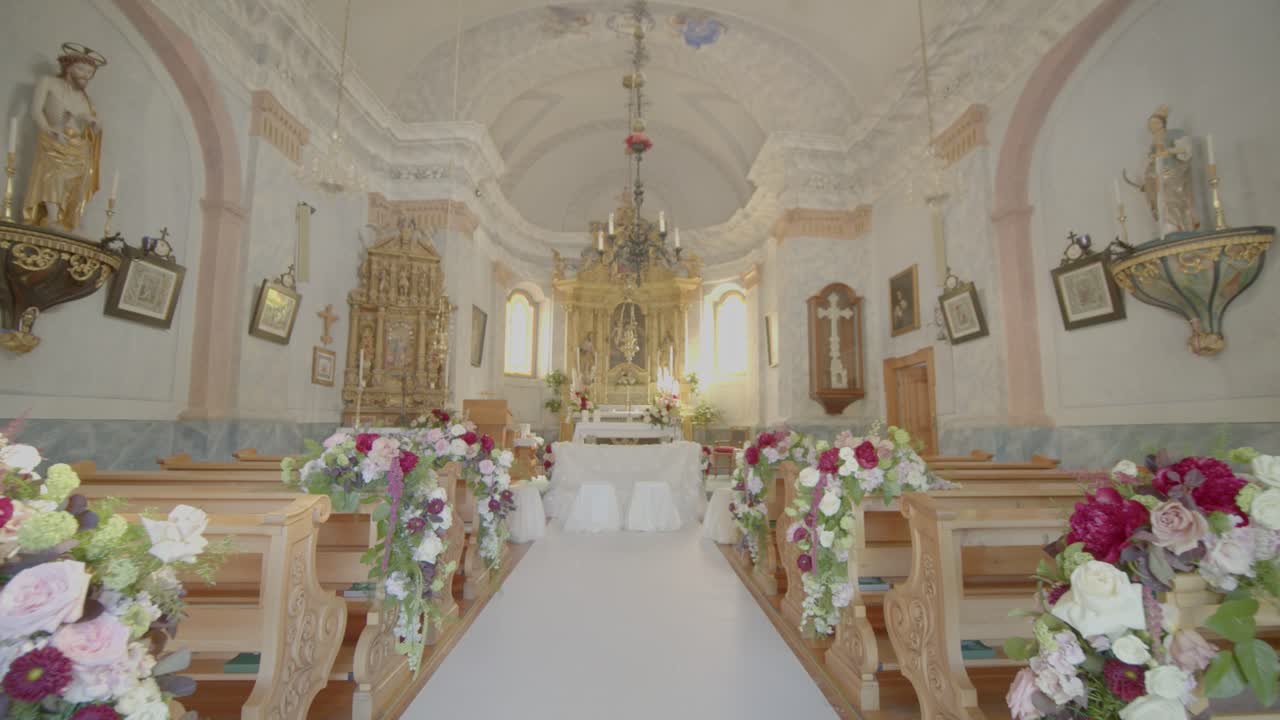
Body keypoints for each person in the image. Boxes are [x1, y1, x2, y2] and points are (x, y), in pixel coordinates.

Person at [23, 44, 107, 231]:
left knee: (80, 180)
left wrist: (94, 123)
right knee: (55, 175)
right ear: (68, 66)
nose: (85, 75)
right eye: (82, 69)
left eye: (89, 72)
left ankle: (70, 219)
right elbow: (36, 111)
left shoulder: (86, 99)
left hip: (78, 145)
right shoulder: (48, 82)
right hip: (54, 138)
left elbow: (89, 125)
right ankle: (52, 218)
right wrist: (48, 129)